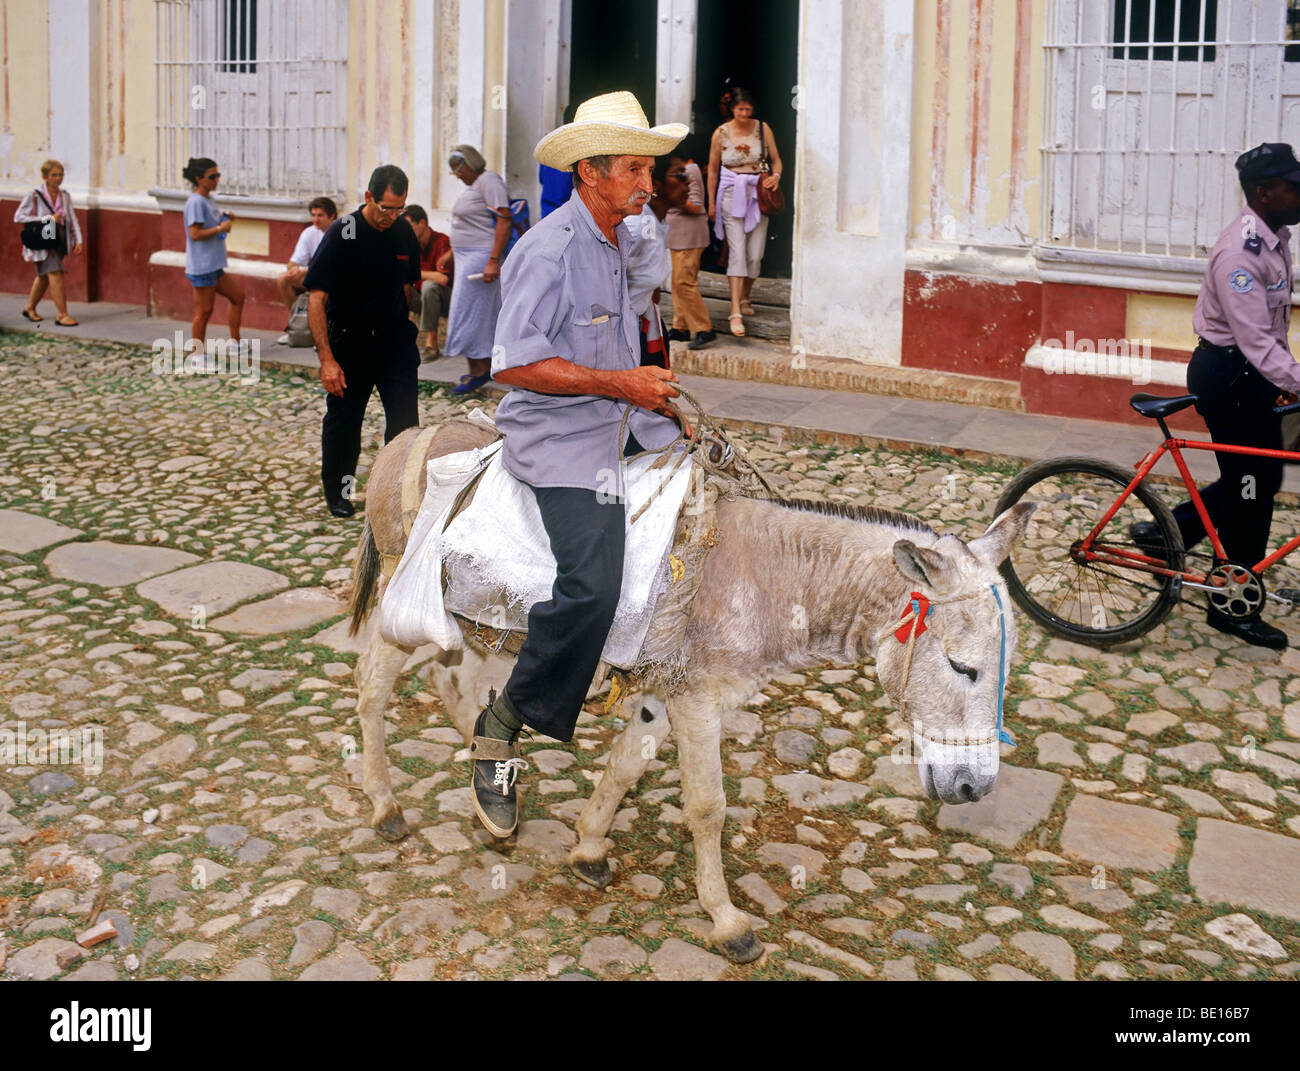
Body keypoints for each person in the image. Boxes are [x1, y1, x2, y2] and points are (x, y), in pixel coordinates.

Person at [470, 90, 689, 838]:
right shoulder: (549, 250)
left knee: (705, 509)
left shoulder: (621, 240)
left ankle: (643, 665)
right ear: (591, 173)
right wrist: (619, 384)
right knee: (593, 583)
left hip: (622, 418)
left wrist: (649, 391)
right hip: (559, 436)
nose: (647, 181)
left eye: (648, 167)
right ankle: (502, 723)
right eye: (634, 168)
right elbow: (514, 363)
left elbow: (629, 330)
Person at [1131, 142, 1300, 649]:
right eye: (1293, 187)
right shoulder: (1239, 256)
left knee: (1255, 478)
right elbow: (1254, 341)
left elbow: (1275, 330)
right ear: (1263, 192)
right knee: (1252, 489)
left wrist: (1284, 383)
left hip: (1254, 376)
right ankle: (1233, 606)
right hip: (1230, 378)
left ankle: (1171, 534)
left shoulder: (1275, 237)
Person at [304, 164, 422, 519]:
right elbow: (316, 299)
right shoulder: (344, 232)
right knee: (345, 423)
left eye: (399, 208)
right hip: (350, 346)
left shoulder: (402, 231)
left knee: (405, 425)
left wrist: (407, 326)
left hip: (394, 344)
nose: (392, 216)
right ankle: (339, 494)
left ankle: (396, 495)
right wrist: (327, 360)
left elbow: (407, 287)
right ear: (369, 197)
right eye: (386, 208)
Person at [707, 86, 782, 336]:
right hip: (731, 192)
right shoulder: (721, 133)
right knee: (737, 252)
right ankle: (735, 309)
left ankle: (746, 296)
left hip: (757, 193)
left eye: (748, 109)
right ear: (732, 109)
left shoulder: (762, 128)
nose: (744, 113)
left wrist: (776, 177)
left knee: (755, 254)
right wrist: (711, 203)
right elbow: (713, 169)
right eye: (740, 109)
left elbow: (776, 159)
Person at [444, 145, 512, 394]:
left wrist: (493, 260)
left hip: (481, 259)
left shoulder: (489, 181)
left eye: (459, 170)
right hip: (467, 258)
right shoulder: (475, 186)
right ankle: (481, 367)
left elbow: (504, 220)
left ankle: (479, 370)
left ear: (470, 164)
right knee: (475, 315)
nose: (458, 176)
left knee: (470, 316)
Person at [181, 157, 245, 355]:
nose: (217, 179)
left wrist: (224, 218)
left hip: (214, 265)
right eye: (212, 176)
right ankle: (197, 355)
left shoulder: (208, 199)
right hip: (202, 266)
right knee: (204, 311)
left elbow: (210, 223)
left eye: (218, 175)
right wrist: (220, 228)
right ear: (199, 179)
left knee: (238, 297)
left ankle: (235, 343)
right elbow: (195, 234)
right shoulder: (196, 202)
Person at [15, 159, 84, 326]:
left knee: (44, 276)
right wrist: (46, 218)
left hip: (59, 239)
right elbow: (18, 217)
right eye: (54, 175)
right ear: (45, 177)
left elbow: (72, 218)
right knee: (56, 273)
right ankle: (62, 314)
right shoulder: (34, 195)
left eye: (61, 175)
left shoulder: (65, 196)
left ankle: (29, 308)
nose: (58, 178)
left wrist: (78, 240)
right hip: (43, 239)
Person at [663, 148, 715, 349]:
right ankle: (681, 326)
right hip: (679, 236)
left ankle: (704, 329)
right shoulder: (683, 170)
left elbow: (694, 205)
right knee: (677, 282)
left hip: (689, 236)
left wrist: (669, 197)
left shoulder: (689, 169)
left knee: (684, 282)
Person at [401, 204, 453, 360]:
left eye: (408, 226)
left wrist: (416, 273)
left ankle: (432, 344)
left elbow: (442, 279)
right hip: (422, 297)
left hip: (446, 298)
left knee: (429, 287)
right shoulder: (410, 246)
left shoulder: (442, 241)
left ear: (422, 223)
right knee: (397, 287)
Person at [277, 196, 338, 311]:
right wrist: (293, 269)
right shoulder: (309, 232)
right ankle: (296, 318)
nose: (316, 220)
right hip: (314, 275)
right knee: (283, 279)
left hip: (336, 278)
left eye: (320, 215)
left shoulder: (341, 232)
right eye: (313, 215)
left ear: (332, 216)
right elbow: (293, 262)